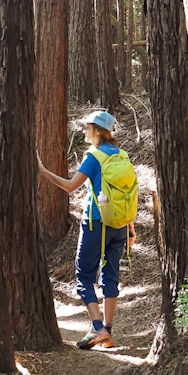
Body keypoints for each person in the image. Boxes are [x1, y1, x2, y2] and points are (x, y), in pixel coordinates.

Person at [36, 110, 136, 350]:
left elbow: (71, 187)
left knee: (83, 276)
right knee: (110, 275)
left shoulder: (94, 157)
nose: (84, 131)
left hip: (95, 221)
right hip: (120, 223)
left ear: (98, 131)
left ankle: (97, 327)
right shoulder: (122, 155)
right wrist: (130, 228)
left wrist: (43, 171)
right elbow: (127, 194)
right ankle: (107, 333)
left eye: (87, 127)